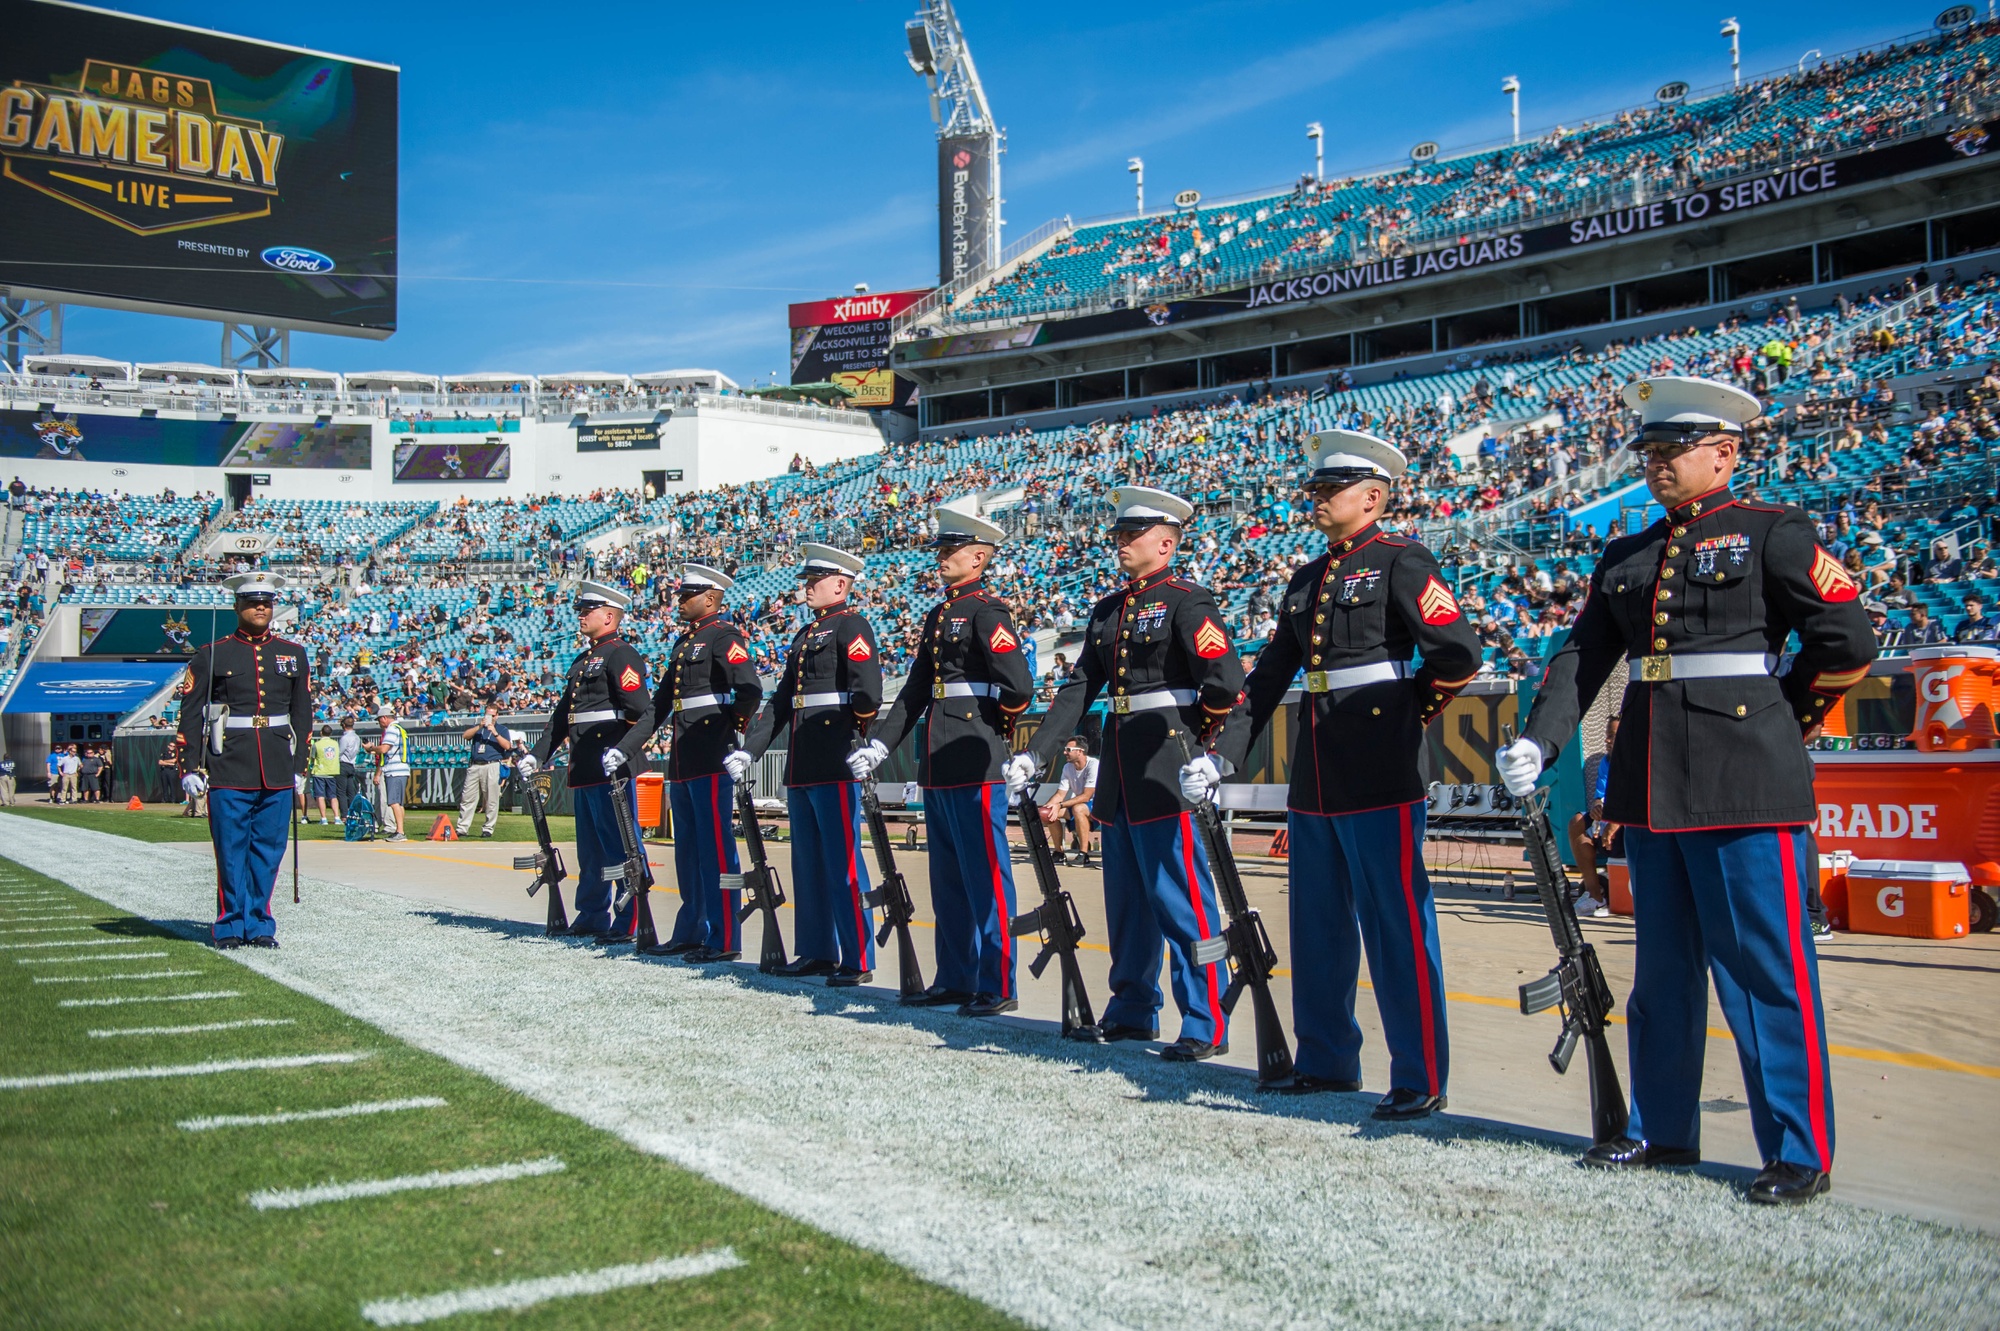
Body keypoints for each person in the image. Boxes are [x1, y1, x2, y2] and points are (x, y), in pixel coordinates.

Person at [1498, 375, 1876, 1206]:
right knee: (1662, 974)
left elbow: (1848, 637)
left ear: (1725, 452)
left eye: (1674, 450)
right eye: (1651, 451)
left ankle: (1797, 1147)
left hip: (1747, 781)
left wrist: (1788, 718)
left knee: (1765, 972)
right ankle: (1663, 1127)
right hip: (1652, 784)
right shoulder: (1625, 557)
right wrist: (1540, 736)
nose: (1659, 464)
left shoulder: (1772, 533)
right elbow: (1579, 659)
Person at [1220, 431, 1481, 1116]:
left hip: (1379, 769)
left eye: (1330, 489)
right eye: (1314, 489)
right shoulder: (1305, 580)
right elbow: (1271, 675)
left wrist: (1403, 718)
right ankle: (1327, 1058)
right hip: (1318, 772)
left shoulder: (1402, 560)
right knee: (1318, 927)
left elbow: (1457, 652)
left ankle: (1419, 1074)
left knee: (1396, 926)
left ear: (1372, 495)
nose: (1318, 499)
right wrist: (1222, 754)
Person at [1024, 487, 1246, 1058]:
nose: (1121, 542)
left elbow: (1224, 685)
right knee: (1127, 903)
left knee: (1184, 903)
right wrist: (1038, 751)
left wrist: (1209, 754)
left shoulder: (1188, 602)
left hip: (1166, 768)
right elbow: (1078, 691)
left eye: (1134, 534)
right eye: (1119, 534)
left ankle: (1205, 1019)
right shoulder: (1109, 610)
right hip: (1122, 772)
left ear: (1167, 543)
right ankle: (1131, 1008)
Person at [851, 505, 1035, 1015]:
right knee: (948, 879)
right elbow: (914, 691)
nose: (941, 558)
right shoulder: (939, 614)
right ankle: (956, 976)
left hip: (974, 758)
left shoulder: (987, 611)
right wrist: (882, 744)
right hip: (937, 761)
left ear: (979, 557)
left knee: (987, 876)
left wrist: (990, 729)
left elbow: (1019, 687)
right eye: (941, 549)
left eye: (950, 550)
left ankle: (997, 981)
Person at [744, 543, 882, 984]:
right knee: (807, 863)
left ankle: (856, 956)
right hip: (803, 762)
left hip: (835, 757)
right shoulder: (806, 637)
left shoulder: (852, 626)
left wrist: (859, 740)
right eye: (806, 580)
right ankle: (816, 950)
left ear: (840, 584)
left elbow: (867, 694)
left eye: (814, 581)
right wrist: (752, 749)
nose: (807, 588)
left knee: (843, 863)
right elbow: (782, 701)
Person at [174, 571, 313, 949]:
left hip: (277, 766)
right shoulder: (211, 654)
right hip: (229, 764)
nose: (260, 608)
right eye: (252, 602)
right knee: (231, 850)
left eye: (266, 602)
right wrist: (189, 766)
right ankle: (231, 924)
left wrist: (299, 766)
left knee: (268, 852)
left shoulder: (293, 654)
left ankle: (260, 923)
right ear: (238, 606)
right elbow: (190, 712)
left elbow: (302, 714)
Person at [516, 580, 655, 943]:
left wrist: (623, 749)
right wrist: (537, 755)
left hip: (611, 767)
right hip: (586, 766)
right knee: (591, 852)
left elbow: (641, 712)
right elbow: (563, 717)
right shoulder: (584, 660)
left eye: (587, 610)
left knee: (621, 845)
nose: (581, 615)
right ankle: (592, 914)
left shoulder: (621, 654)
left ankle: (629, 917)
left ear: (609, 616)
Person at [649, 564, 760, 959]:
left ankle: (723, 937)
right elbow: (661, 705)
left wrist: (730, 730)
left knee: (716, 850)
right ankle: (691, 928)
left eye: (687, 596)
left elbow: (749, 689)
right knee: (689, 851)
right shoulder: (685, 643)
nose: (679, 602)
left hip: (711, 755)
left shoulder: (723, 635)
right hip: (683, 758)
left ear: (711, 598)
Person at [1567, 714, 1622, 914]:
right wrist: (1597, 805)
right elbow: (1600, 795)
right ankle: (1595, 896)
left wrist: (1616, 821)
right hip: (1611, 816)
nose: (1607, 740)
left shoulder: (1640, 760)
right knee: (1577, 822)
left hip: (1631, 822)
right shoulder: (1606, 762)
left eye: (1613, 735)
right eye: (1607, 735)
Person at [455, 703, 516, 838]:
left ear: (497, 716)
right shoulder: (479, 728)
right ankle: (462, 828)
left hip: (492, 764)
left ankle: (488, 828)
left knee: (491, 798)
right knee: (467, 798)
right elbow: (465, 736)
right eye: (487, 715)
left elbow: (507, 746)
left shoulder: (502, 729)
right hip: (475, 765)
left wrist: (494, 732)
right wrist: (479, 726)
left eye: (492, 715)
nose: (490, 718)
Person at [1041, 735, 1098, 866]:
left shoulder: (1093, 765)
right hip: (1079, 804)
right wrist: (1049, 805)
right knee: (1048, 812)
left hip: (1098, 806)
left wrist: (1060, 805)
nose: (1064, 752)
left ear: (1080, 751)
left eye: (1068, 749)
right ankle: (1059, 853)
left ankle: (1084, 854)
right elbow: (1060, 794)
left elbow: (1086, 796)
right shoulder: (1067, 767)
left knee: (1078, 809)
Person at [367, 706, 412, 841]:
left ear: (384, 718)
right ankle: (399, 830)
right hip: (401, 769)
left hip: (395, 770)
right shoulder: (400, 729)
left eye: (379, 720)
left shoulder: (391, 730)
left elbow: (384, 748)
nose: (379, 723)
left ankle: (400, 831)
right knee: (399, 802)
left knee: (393, 802)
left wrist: (371, 748)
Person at [307, 724, 343, 825]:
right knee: (333, 796)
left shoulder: (317, 744)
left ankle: (323, 818)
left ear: (321, 733)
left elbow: (313, 757)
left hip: (320, 772)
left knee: (320, 795)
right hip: (332, 771)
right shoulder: (335, 743)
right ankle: (337, 817)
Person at [337, 713, 362, 808]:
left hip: (343, 764)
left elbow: (340, 752)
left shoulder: (345, 738)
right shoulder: (357, 737)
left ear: (344, 725)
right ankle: (353, 811)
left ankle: (344, 814)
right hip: (352, 764)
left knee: (341, 791)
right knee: (351, 791)